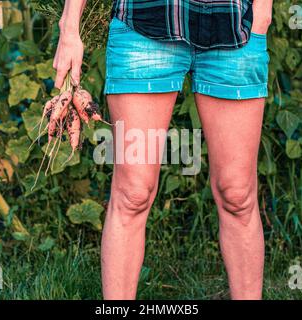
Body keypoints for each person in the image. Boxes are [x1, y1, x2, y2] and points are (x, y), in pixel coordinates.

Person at [53, 0, 273, 300]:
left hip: (236, 26)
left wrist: (262, 14)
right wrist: (69, 28)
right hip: (144, 22)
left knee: (237, 194)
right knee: (133, 194)